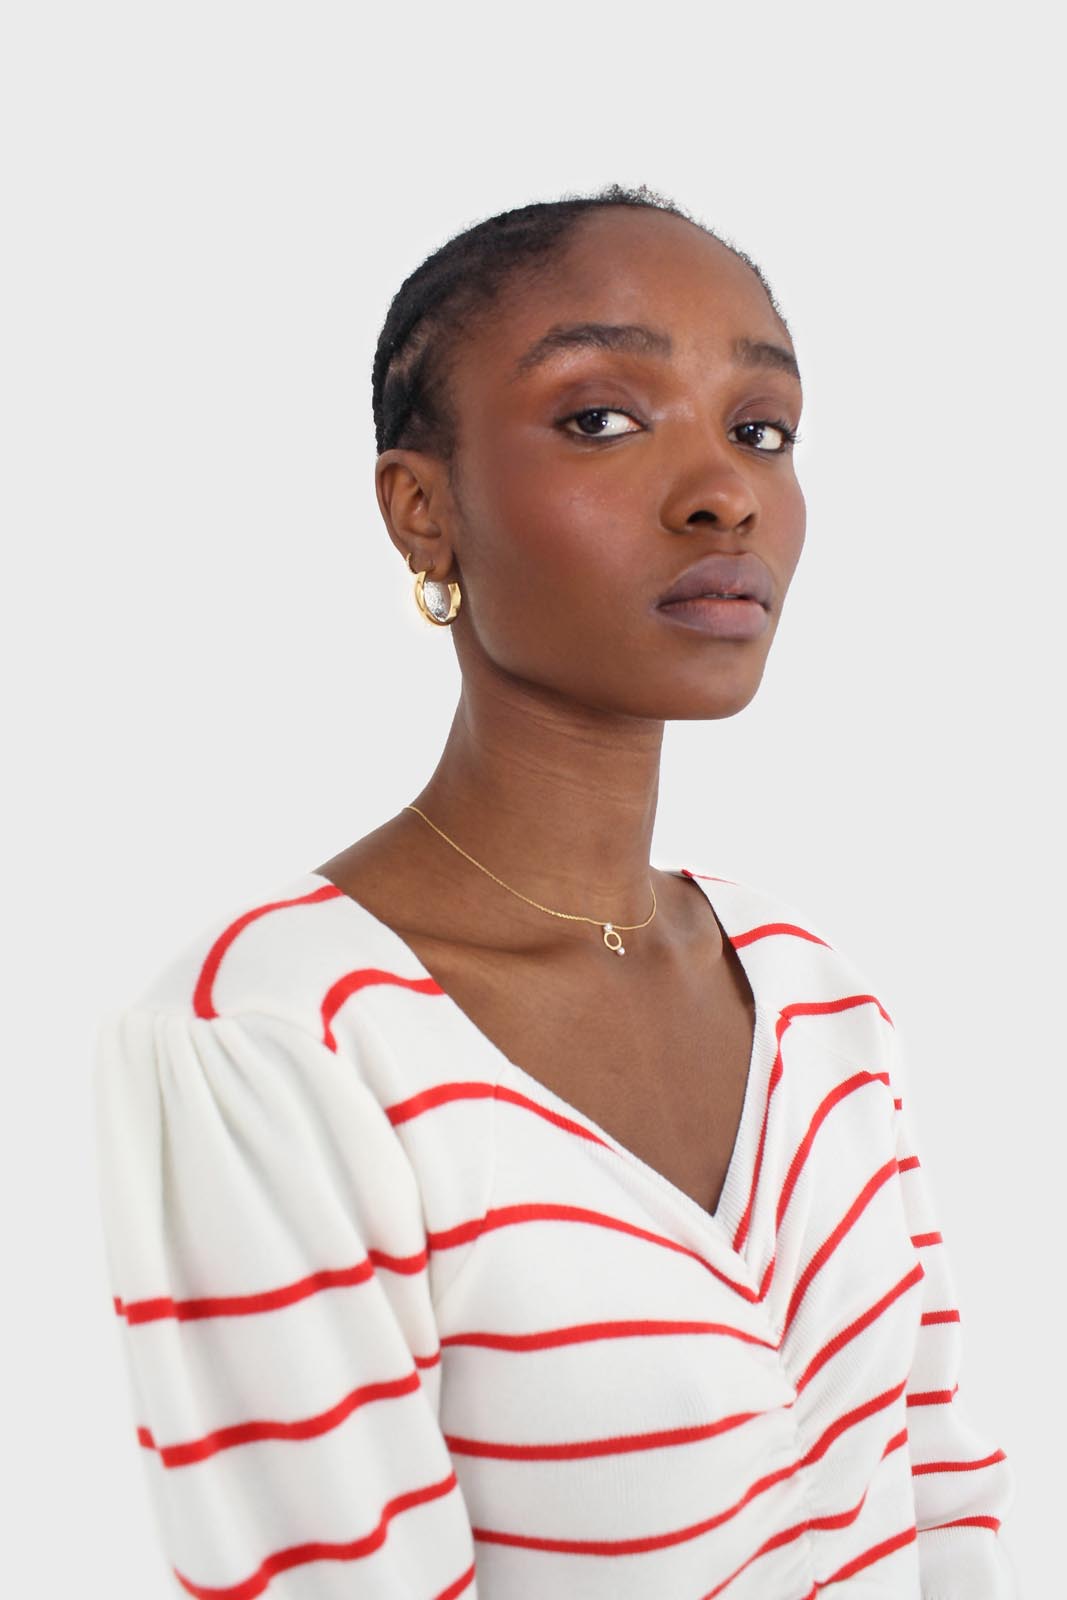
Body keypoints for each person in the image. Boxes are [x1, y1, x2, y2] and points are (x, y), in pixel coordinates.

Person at [93, 184, 1017, 1598]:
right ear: (422, 510)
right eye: (600, 418)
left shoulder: (812, 990)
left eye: (762, 430)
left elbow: (944, 1499)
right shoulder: (275, 1044)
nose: (725, 493)